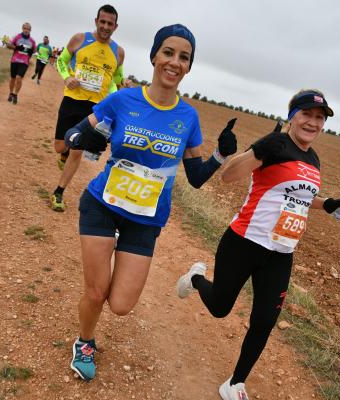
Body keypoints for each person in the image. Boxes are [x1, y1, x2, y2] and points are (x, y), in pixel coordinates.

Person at [64, 23, 238, 381]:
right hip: (102, 204)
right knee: (96, 293)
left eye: (184, 57)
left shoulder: (187, 117)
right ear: (155, 56)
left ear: (189, 66)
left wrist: (221, 155)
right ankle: (85, 341)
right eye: (168, 53)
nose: (175, 62)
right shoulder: (123, 99)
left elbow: (195, 176)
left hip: (145, 219)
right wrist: (86, 136)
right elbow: (73, 132)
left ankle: (101, 298)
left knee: (122, 305)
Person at [176, 89, 340, 400]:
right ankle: (195, 278)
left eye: (319, 118)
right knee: (221, 308)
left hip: (281, 254)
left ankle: (234, 383)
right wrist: (257, 150)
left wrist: (329, 203)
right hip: (244, 241)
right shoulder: (275, 145)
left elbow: (298, 197)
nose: (313, 122)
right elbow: (229, 176)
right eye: (306, 114)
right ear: (292, 116)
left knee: (263, 322)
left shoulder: (313, 158)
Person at [50, 4, 125, 212]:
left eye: (110, 23)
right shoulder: (79, 39)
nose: (105, 26)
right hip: (72, 100)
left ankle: (58, 192)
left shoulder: (118, 52)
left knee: (77, 151)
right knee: (60, 146)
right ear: (96, 21)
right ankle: (63, 153)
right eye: (102, 22)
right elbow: (61, 62)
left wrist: (120, 88)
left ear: (115, 26)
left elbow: (115, 81)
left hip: (95, 108)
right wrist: (67, 77)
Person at [5, 23, 36, 104]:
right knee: (13, 78)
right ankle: (11, 93)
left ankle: (15, 94)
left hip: (24, 62)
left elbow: (35, 50)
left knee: (19, 78)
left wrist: (31, 51)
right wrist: (17, 47)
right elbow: (8, 45)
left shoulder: (32, 41)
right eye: (25, 28)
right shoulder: (17, 37)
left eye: (28, 29)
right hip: (15, 60)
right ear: (22, 29)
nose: (26, 30)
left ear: (30, 30)